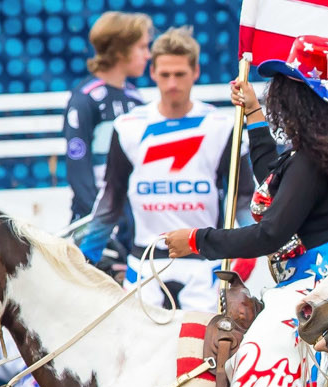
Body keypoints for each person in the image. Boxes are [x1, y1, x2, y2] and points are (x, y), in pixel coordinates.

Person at [158, 35, 328, 284]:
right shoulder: (313, 155)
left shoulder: (310, 162)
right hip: (317, 275)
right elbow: (272, 180)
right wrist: (253, 111)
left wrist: (197, 240)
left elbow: (269, 234)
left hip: (317, 281)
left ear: (295, 98)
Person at [83, 26, 245, 311]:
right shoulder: (128, 126)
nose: (172, 84)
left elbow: (243, 198)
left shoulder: (222, 126)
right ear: (153, 73)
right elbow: (111, 198)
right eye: (165, 74)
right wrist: (85, 258)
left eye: (180, 74)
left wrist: (254, 256)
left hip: (204, 266)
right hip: (144, 264)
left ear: (195, 72)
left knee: (204, 341)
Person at [64, 12, 151, 221]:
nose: (148, 55)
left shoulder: (136, 99)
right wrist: (101, 221)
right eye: (141, 47)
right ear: (120, 51)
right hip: (98, 221)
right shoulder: (85, 99)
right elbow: (79, 171)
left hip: (133, 220)